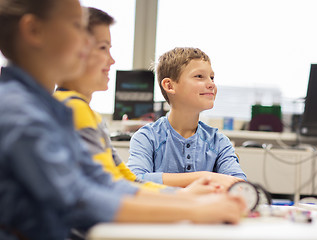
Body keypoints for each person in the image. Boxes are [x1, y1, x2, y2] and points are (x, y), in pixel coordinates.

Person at [0, 1, 246, 239]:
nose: (86, 43)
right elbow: (78, 198)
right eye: (76, 26)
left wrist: (185, 199)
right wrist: (192, 209)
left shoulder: (46, 109)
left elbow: (107, 183)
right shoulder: (20, 112)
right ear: (34, 31)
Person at [53, 7, 218, 195]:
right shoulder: (71, 109)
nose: (112, 60)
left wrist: (182, 196)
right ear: (72, 52)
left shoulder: (89, 114)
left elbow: (128, 180)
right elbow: (105, 191)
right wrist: (187, 199)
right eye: (102, 48)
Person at [127, 47, 247, 190]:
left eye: (212, 77)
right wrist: (204, 177)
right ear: (169, 85)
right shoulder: (146, 137)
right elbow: (135, 180)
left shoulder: (219, 142)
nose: (211, 84)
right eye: (199, 76)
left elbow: (240, 187)